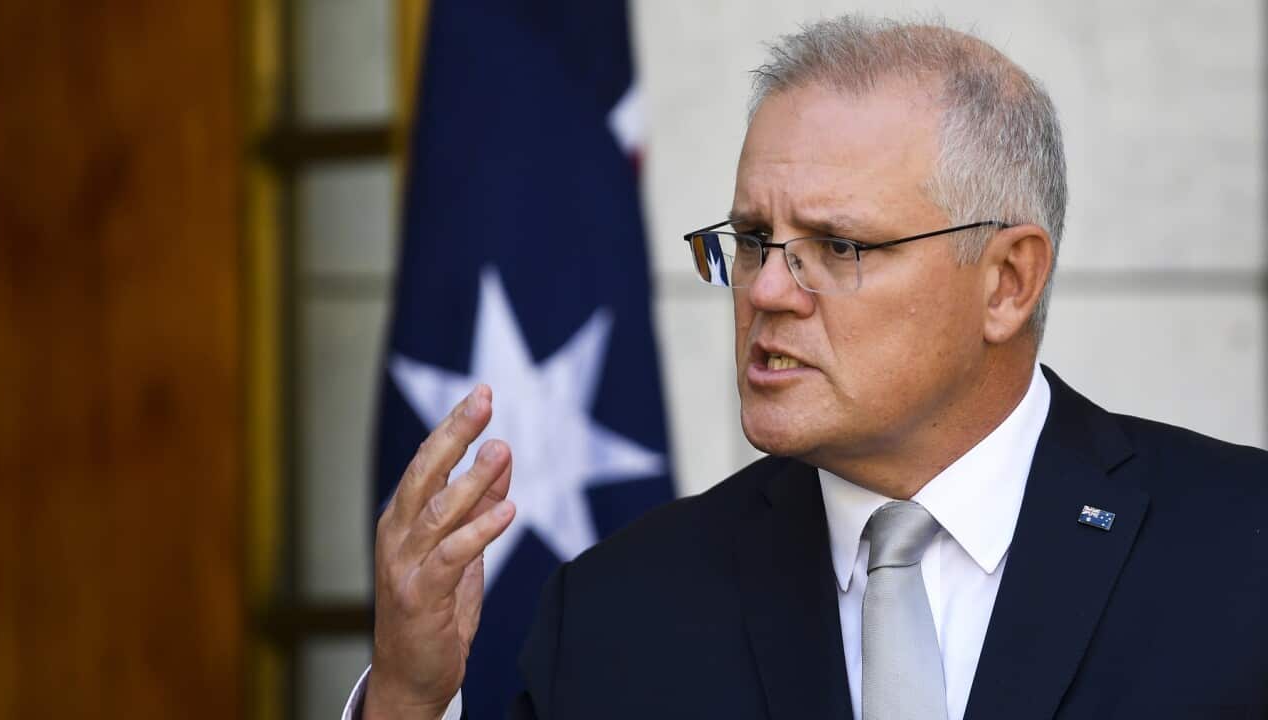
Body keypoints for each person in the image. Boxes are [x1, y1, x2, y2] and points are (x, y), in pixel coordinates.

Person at [348, 16, 1268, 720]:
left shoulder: (1238, 549)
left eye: (837, 245)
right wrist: (404, 701)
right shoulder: (617, 611)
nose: (767, 291)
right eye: (753, 240)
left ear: (1006, 282)